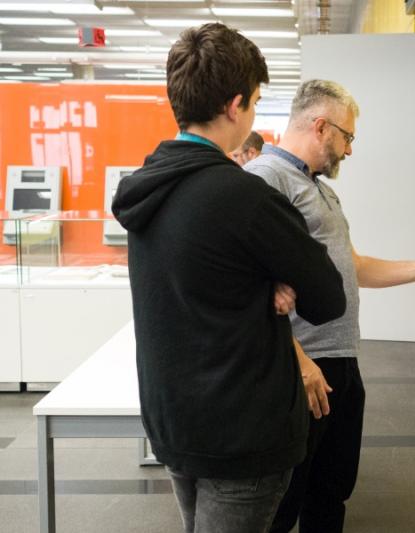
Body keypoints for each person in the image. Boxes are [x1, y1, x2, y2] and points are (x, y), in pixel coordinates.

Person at [111, 24, 346, 533]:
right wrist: (273, 280)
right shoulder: (247, 198)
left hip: (174, 420)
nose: (255, 114)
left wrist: (260, 280)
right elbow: (328, 298)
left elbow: (203, 280)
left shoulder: (146, 189)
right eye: (256, 102)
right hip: (241, 432)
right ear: (235, 105)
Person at [244, 79, 415, 533]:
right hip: (303, 370)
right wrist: (300, 362)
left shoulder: (319, 188)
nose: (349, 149)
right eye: (347, 136)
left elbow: (352, 265)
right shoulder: (266, 179)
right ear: (320, 126)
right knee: (282, 505)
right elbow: (249, 288)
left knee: (330, 492)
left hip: (340, 363)